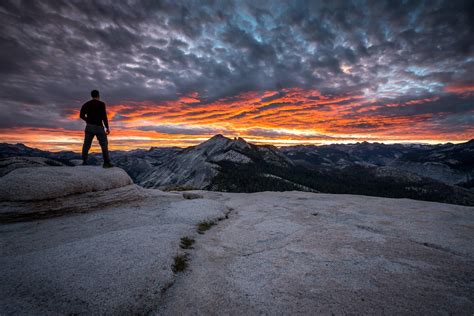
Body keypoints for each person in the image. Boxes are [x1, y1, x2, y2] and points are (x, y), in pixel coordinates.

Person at [79, 90, 114, 168]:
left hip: (89, 127)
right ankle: (106, 163)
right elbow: (104, 117)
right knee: (104, 145)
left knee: (86, 145)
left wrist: (87, 120)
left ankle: (84, 161)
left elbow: (81, 115)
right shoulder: (101, 104)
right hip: (99, 127)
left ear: (91, 95)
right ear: (98, 95)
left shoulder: (86, 104)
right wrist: (107, 127)